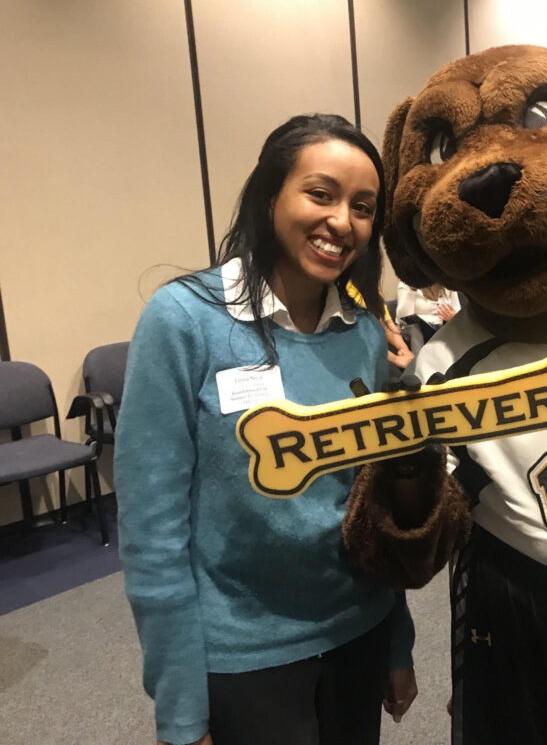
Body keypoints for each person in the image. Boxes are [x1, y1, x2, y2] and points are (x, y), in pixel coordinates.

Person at [116, 114, 417, 745]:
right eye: (321, 193)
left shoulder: (366, 333)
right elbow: (153, 533)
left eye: (363, 207)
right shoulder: (184, 321)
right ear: (269, 195)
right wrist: (178, 703)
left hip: (355, 634)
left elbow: (373, 506)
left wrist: (396, 640)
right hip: (243, 655)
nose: (343, 222)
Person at [395, 280, 460, 345]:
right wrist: (413, 289)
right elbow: (404, 318)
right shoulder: (407, 284)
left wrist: (453, 317)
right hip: (420, 332)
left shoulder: (447, 282)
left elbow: (457, 309)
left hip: (446, 329)